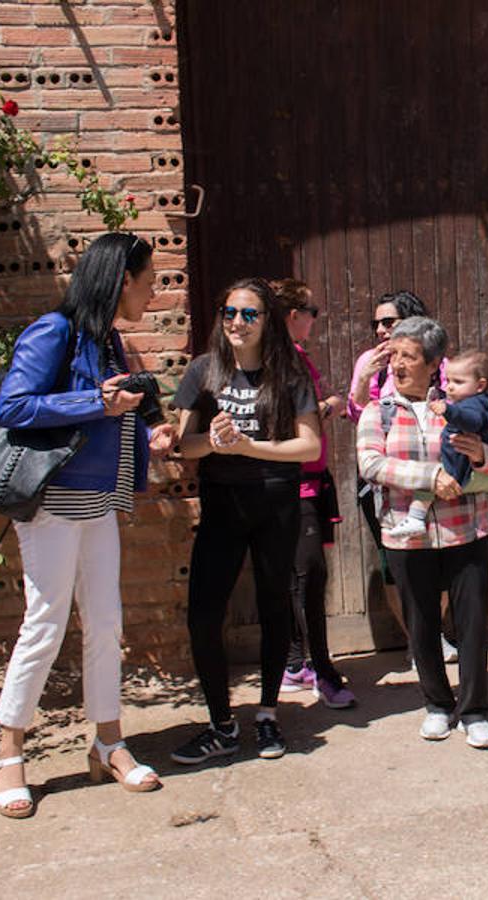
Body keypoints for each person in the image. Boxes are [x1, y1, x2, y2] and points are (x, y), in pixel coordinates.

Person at [0, 231, 175, 815]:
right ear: (122, 279)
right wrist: (96, 402)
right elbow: (15, 406)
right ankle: (8, 750)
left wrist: (151, 438)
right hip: (52, 504)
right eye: (147, 282)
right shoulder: (54, 332)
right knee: (44, 624)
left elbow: (114, 421)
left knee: (105, 623)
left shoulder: (111, 344)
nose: (151, 294)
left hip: (99, 502)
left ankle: (108, 742)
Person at [169, 278, 322, 763]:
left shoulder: (290, 373)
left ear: (267, 321)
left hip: (276, 503)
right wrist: (214, 441)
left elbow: (311, 446)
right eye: (230, 312)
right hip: (222, 504)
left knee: (276, 606)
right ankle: (221, 724)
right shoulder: (203, 371)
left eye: (249, 314)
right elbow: (182, 445)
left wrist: (248, 446)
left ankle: (268, 715)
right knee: (203, 615)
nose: (237, 322)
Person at [356, 317, 488, 749]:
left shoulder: (462, 406)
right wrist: (429, 475)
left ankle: (475, 710)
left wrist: (482, 454)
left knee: (473, 622)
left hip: (467, 530)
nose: (398, 365)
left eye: (409, 356)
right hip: (408, 536)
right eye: (394, 356)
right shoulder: (379, 411)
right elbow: (370, 464)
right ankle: (438, 704)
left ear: (433, 364)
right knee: (422, 624)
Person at [345, 290, 458, 663]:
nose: (379, 329)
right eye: (375, 323)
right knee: (394, 565)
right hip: (384, 481)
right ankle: (417, 640)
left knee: (439, 559)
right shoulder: (370, 361)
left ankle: (433, 631)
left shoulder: (436, 361)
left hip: (436, 477)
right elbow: (356, 412)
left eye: (388, 322)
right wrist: (366, 376)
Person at [271, 279, 355, 708]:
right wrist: (330, 406)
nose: (314, 319)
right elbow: (288, 419)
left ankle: (294, 664)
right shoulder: (285, 359)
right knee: (309, 578)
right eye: (311, 311)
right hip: (296, 484)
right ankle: (324, 673)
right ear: (293, 316)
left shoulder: (290, 356)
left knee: (295, 578)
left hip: (306, 482)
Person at [386, 350, 488, 539]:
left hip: (459, 468)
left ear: (480, 385)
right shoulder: (475, 401)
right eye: (448, 381)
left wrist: (449, 411)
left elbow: (473, 421)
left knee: (429, 485)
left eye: (458, 382)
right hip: (472, 473)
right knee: (486, 493)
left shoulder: (473, 404)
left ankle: (416, 516)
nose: (450, 388)